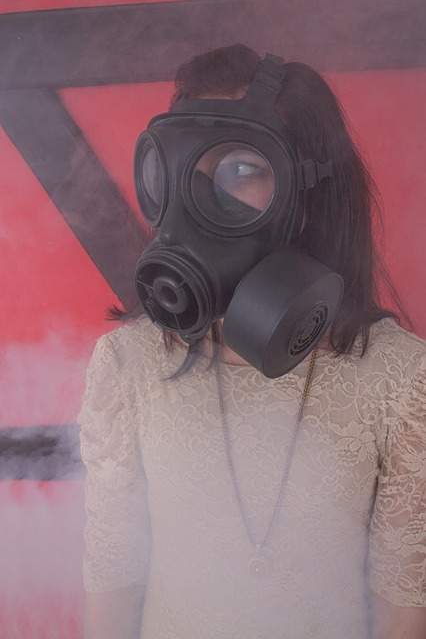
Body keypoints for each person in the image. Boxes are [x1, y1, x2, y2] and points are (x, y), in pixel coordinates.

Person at [78, 45, 426, 639]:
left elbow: (403, 609)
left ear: (308, 191)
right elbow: (113, 591)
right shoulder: (128, 365)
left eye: (242, 168)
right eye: (184, 172)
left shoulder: (398, 377)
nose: (198, 204)